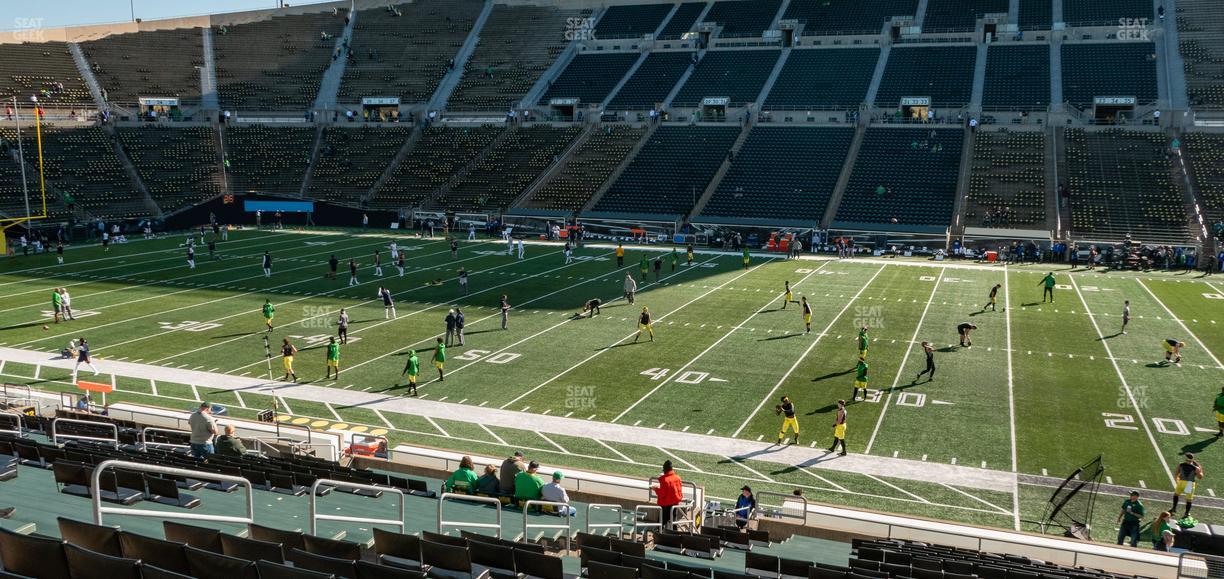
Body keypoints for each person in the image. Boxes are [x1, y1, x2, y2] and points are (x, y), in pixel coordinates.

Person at [652, 460, 683, 529]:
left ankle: (660, 536)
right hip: (675, 503)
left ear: (665, 469)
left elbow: (662, 494)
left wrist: (655, 489)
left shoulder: (665, 480)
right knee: (673, 521)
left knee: (660, 523)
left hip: (666, 505)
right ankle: (676, 536)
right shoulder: (678, 478)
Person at [1172, 453, 1203, 517]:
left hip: (1181, 482)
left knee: (1176, 495)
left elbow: (1176, 474)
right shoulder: (1196, 468)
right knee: (1188, 499)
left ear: (1185, 459)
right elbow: (1200, 477)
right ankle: (1186, 513)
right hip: (1189, 483)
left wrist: (1177, 481)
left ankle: (1174, 508)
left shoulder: (1180, 465)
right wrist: (1200, 469)